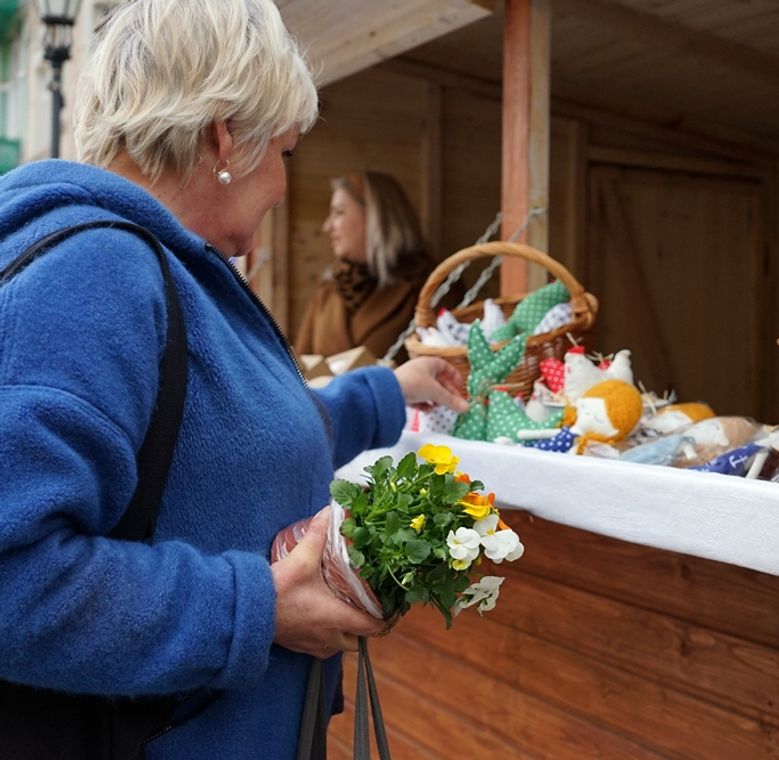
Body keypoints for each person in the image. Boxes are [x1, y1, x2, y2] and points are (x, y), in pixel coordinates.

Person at [0, 1, 467, 758]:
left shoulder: (163, 264)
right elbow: (11, 574)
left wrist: (391, 389)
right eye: (284, 152)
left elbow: (231, 432)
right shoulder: (97, 272)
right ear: (225, 136)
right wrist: (252, 610)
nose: (286, 186)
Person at [294, 171, 435, 362]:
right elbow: (300, 367)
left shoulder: (431, 286)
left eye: (339, 212)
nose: (328, 226)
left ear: (376, 217)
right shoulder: (328, 291)